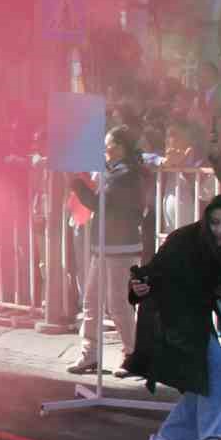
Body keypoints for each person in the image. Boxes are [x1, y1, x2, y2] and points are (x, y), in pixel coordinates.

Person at [124, 196, 221, 440]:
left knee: (204, 376)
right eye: (215, 222)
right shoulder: (184, 240)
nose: (220, 230)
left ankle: (169, 437)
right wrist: (139, 286)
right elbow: (149, 272)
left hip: (196, 315)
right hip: (168, 312)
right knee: (214, 367)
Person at [67, 126, 147, 375]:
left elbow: (100, 204)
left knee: (118, 304)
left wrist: (76, 184)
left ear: (121, 147)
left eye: (109, 145)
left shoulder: (127, 175)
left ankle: (132, 355)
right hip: (103, 246)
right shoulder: (112, 172)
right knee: (91, 301)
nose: (105, 149)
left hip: (121, 248)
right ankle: (90, 355)